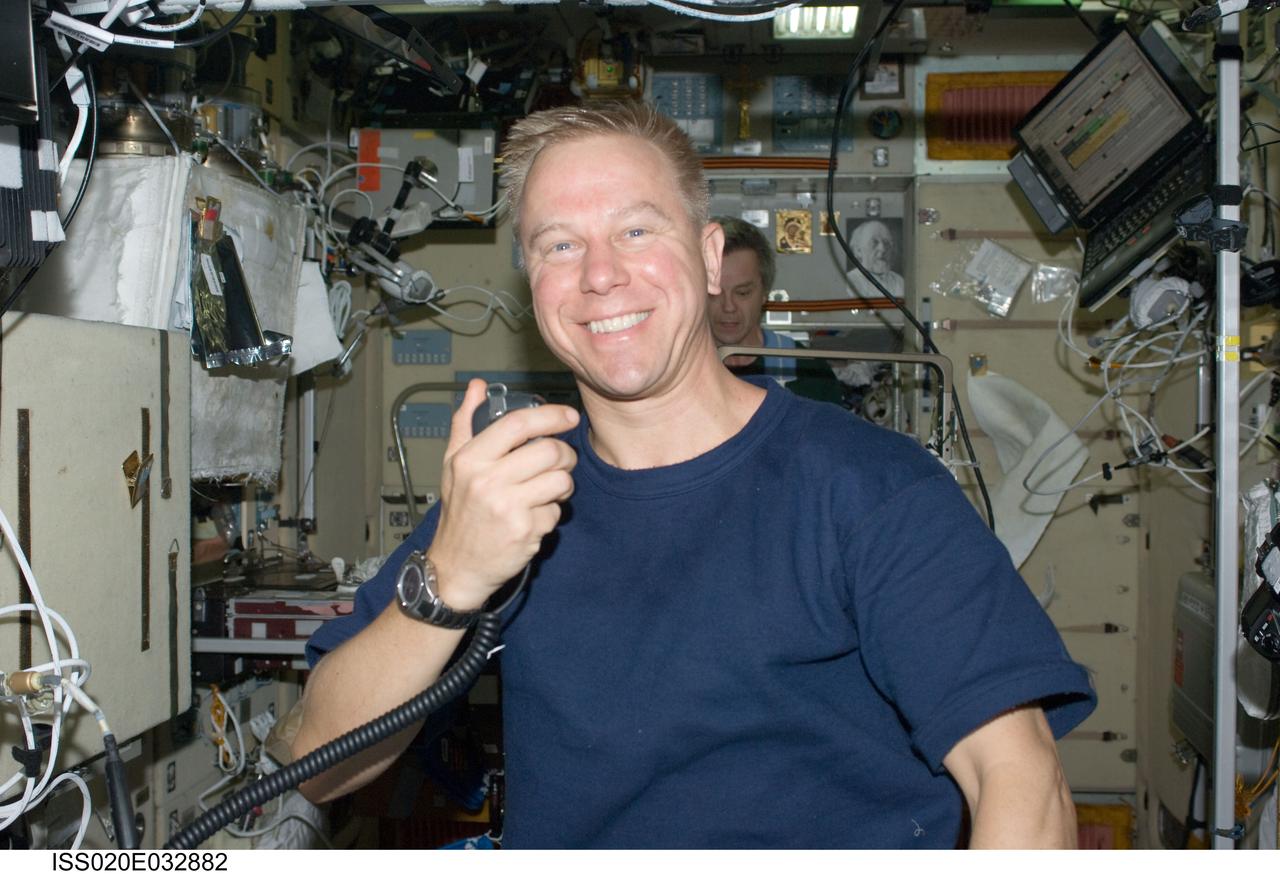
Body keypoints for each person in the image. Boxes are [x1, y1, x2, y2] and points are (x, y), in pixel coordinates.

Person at [293, 101, 1095, 849]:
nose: (599, 275)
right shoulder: (508, 496)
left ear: (711, 259)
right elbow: (316, 759)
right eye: (559, 245)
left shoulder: (870, 490)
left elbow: (1019, 778)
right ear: (531, 283)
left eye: (637, 231)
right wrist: (450, 580)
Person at [709, 215, 844, 405]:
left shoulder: (810, 374)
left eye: (743, 293)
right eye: (714, 294)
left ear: (765, 293)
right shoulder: (675, 373)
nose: (728, 307)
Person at [846, 218, 906, 299]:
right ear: (858, 251)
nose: (883, 249)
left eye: (886, 242)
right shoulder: (849, 282)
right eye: (874, 242)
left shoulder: (900, 282)